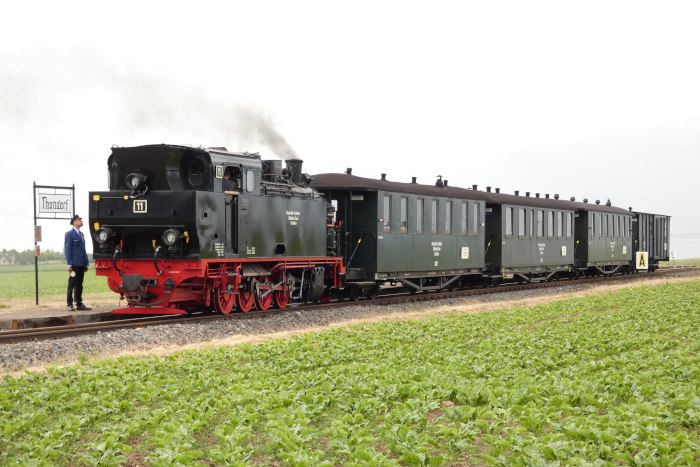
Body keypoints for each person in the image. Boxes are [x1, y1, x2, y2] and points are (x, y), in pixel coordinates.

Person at [65, 214, 91, 311]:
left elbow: (83, 250)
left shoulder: (81, 234)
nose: (81, 221)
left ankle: (79, 304)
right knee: (71, 284)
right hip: (74, 265)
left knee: (80, 284)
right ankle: (69, 304)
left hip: (81, 264)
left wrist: (85, 264)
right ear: (74, 222)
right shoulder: (70, 234)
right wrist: (69, 264)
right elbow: (68, 250)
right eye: (79, 220)